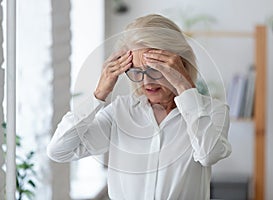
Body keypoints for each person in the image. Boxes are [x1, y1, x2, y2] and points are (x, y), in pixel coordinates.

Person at [47, 14, 231, 200]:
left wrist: (184, 86)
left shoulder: (212, 111)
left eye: (155, 69)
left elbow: (209, 154)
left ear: (179, 64)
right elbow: (59, 150)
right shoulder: (120, 111)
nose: (146, 81)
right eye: (136, 71)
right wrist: (99, 94)